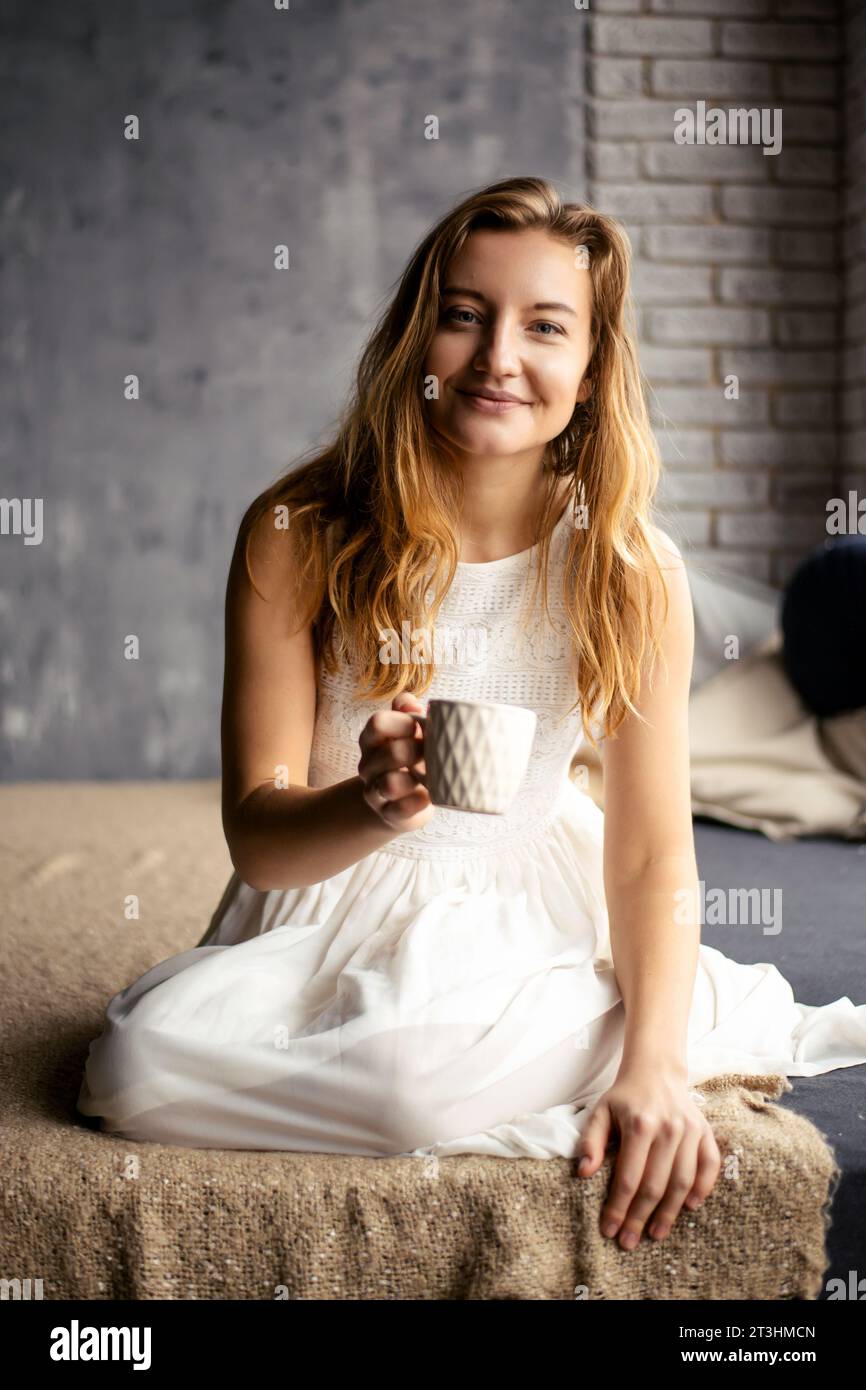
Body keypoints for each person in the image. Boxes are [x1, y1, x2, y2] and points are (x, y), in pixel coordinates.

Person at [77, 176, 866, 1256]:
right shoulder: (294, 532)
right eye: (464, 314)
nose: (499, 357)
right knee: (131, 1065)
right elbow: (258, 841)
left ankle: (640, 1025)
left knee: (405, 1081)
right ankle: (555, 1038)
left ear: (589, 374)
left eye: (545, 327)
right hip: (326, 900)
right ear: (418, 340)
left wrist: (649, 1070)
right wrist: (371, 801)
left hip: (523, 898)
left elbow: (646, 855)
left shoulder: (631, 569)